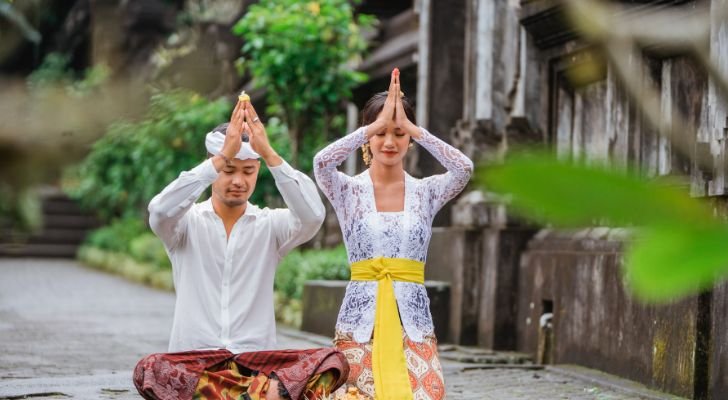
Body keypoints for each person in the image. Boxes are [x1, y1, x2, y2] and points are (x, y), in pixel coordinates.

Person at [133, 98, 349, 400]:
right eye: (228, 170)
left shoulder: (271, 226)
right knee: (151, 369)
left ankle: (254, 393)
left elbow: (313, 215)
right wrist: (221, 157)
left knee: (333, 361)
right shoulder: (185, 225)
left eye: (248, 171)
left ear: (257, 171)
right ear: (213, 166)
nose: (238, 180)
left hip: (256, 361)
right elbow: (159, 212)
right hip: (197, 363)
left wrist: (270, 154)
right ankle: (258, 396)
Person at [313, 68, 473, 399]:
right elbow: (321, 163)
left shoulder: (426, 192)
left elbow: (464, 169)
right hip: (360, 323)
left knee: (428, 393)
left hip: (412, 320)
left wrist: (417, 130)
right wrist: (373, 125)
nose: (389, 142)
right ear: (368, 137)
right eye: (380, 134)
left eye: (399, 134)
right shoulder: (348, 191)